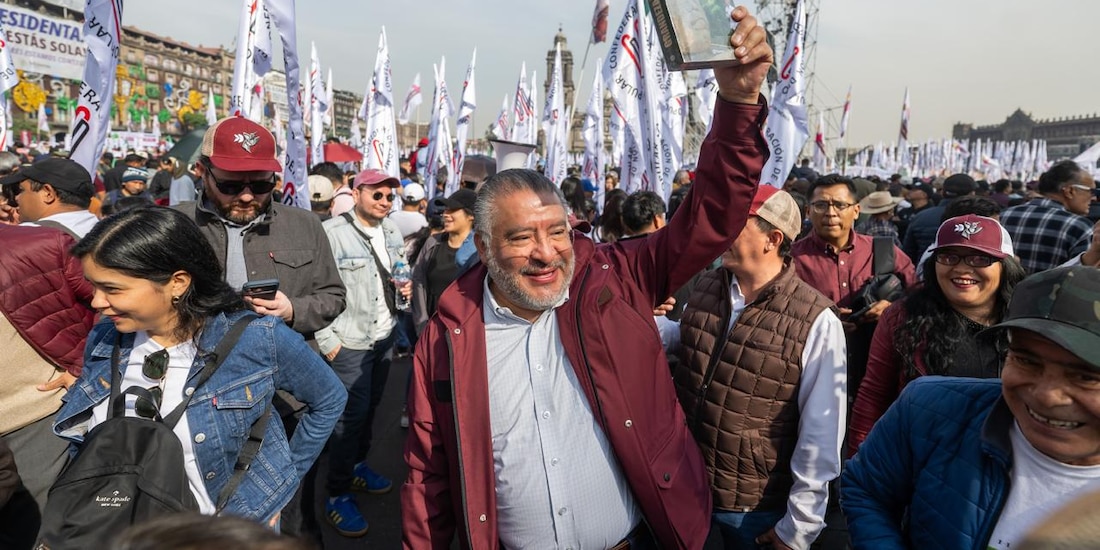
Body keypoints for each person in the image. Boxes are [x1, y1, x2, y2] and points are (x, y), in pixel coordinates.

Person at [402, 7, 772, 547]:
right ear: (482, 246)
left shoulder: (615, 280)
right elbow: (426, 476)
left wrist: (738, 103)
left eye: (557, 232)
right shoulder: (446, 339)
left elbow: (712, 216)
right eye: (521, 237)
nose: (547, 254)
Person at [54, 207, 346, 524]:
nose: (96, 301)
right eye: (93, 286)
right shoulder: (105, 338)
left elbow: (330, 399)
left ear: (177, 282)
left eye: (112, 289)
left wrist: (279, 487)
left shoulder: (257, 339)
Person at [841, 265, 1100, 550]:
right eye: (1027, 361)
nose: (1047, 395)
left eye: (1086, 376)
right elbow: (866, 489)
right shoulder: (930, 409)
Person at [175, 116, 346, 540]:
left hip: (282, 399)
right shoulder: (175, 226)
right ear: (203, 172)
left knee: (291, 516)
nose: (248, 195)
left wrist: (293, 309)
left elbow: (334, 296)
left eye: (261, 183)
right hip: (196, 397)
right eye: (232, 185)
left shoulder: (304, 225)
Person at [674, 186, 846, 550]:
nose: (720, 233)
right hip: (686, 486)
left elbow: (821, 433)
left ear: (772, 239)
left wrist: (800, 527)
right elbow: (689, 340)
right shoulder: (708, 285)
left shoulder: (814, 319)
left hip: (753, 506)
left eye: (734, 224)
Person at [848, 215, 1027, 454]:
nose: (962, 268)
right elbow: (874, 396)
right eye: (949, 256)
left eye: (980, 258)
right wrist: (860, 462)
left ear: (1006, 266)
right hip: (921, 462)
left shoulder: (1028, 323)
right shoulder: (902, 318)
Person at [314, 168, 407, 537]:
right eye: (377, 195)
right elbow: (315, 288)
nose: (385, 202)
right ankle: (336, 493)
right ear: (356, 194)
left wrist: (405, 287)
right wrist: (328, 340)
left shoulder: (392, 229)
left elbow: (400, 268)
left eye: (389, 197)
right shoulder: (332, 234)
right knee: (348, 419)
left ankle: (356, 468)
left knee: (371, 409)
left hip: (383, 336)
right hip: (349, 341)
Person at [0, 221, 95, 534]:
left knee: (32, 530)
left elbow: (115, 299)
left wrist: (82, 367)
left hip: (35, 418)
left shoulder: (42, 245)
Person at [791, 174, 917, 402]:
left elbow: (918, 293)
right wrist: (820, 319)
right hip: (812, 370)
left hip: (876, 367)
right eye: (821, 205)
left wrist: (890, 308)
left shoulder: (882, 251)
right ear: (808, 212)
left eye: (840, 205)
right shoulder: (791, 258)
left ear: (856, 211)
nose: (831, 213)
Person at [1000, 160, 1096, 273]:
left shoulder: (1003, 216)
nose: (1094, 198)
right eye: (1091, 191)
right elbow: (1084, 279)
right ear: (1070, 191)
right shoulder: (1081, 228)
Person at [411, 188, 476, 335]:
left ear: (470, 216)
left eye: (452, 210)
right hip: (432, 329)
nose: (446, 214)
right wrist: (422, 322)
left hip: (465, 332)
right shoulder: (433, 242)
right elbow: (418, 280)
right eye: (445, 210)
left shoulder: (479, 249)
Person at [3, 156, 99, 237]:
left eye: (22, 190)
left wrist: (10, 233)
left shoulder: (29, 236)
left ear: (48, 194)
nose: (17, 197)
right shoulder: (103, 231)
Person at [902, 174, 975, 262]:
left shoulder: (920, 217)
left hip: (924, 272)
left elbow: (907, 254)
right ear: (972, 194)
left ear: (942, 192)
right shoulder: (978, 220)